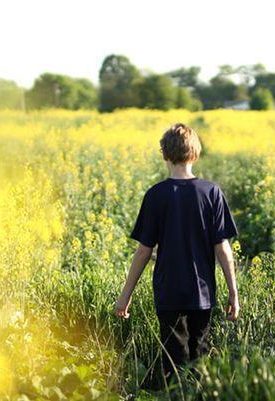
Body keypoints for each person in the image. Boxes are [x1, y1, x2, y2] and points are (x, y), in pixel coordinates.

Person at [114, 122, 240, 382]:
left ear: (165, 154)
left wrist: (125, 295)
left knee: (173, 361)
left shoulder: (156, 195)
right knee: (200, 359)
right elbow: (223, 248)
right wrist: (233, 293)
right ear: (196, 153)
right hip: (203, 293)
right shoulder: (211, 192)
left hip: (168, 292)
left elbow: (143, 252)